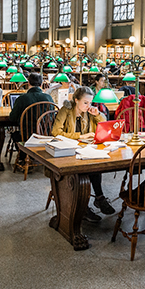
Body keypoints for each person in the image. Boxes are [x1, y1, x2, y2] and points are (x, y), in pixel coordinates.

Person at [52, 87, 114, 222]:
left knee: (95, 166)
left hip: (86, 149)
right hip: (68, 152)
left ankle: (99, 198)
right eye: (85, 102)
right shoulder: (66, 111)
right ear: (76, 100)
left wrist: (97, 115)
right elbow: (56, 132)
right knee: (86, 171)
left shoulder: (90, 113)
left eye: (90, 103)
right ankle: (84, 206)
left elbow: (104, 126)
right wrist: (80, 135)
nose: (88, 106)